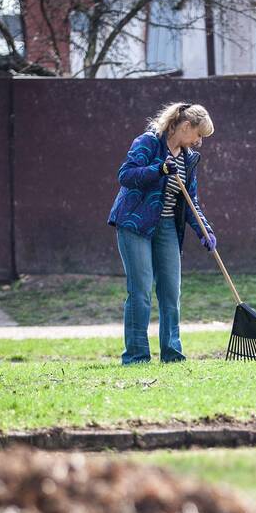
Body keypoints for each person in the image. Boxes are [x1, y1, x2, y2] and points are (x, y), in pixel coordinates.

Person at [107, 103, 217, 364]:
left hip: (167, 226)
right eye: (198, 135)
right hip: (135, 224)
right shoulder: (148, 142)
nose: (199, 142)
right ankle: (136, 356)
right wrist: (159, 170)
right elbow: (126, 175)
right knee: (141, 290)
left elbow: (191, 200)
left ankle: (172, 354)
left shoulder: (189, 158)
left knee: (170, 291)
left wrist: (205, 230)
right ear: (185, 126)